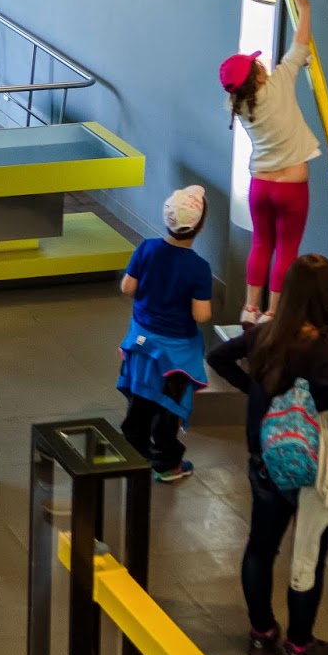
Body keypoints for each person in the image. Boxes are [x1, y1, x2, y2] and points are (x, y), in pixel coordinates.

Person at [208, 253, 328, 655]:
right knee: (308, 554)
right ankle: (298, 645)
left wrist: (251, 386)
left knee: (260, 548)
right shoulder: (324, 350)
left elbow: (219, 357)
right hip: (310, 474)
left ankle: (261, 633)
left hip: (265, 462)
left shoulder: (266, 334)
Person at [221, 0, 320, 323]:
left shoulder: (237, 106)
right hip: (292, 186)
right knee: (287, 248)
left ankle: (250, 308)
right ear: (259, 73)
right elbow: (300, 45)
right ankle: (273, 312)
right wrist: (304, 10)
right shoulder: (279, 85)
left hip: (261, 186)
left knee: (261, 244)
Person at [117, 185, 214, 483]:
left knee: (139, 401)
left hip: (141, 344)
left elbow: (127, 288)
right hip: (174, 356)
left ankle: (133, 454)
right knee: (167, 408)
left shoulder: (146, 248)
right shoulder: (198, 267)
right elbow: (201, 315)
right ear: (200, 226)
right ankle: (166, 463)